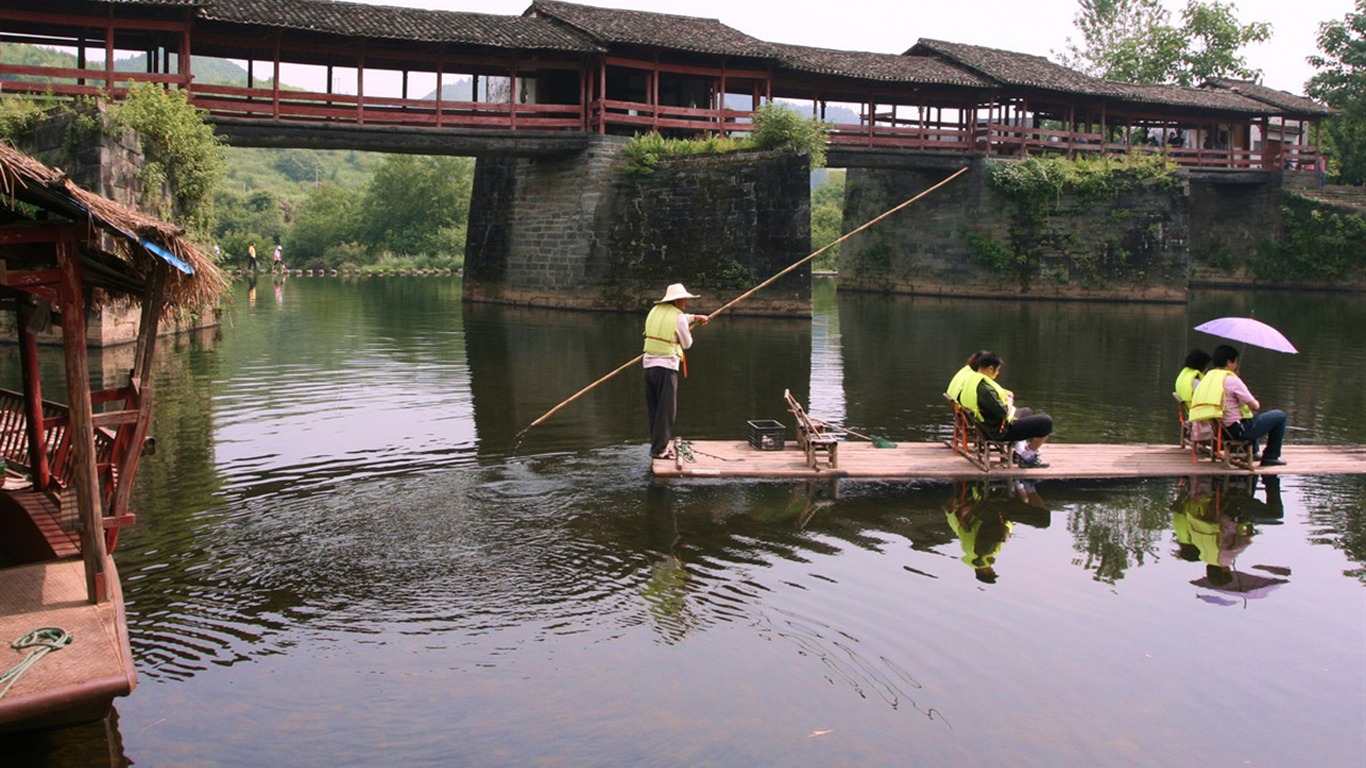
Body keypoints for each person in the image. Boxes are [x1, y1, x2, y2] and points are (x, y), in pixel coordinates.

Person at [1188, 344, 1288, 467]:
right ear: (1229, 362)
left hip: (1220, 430)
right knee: (1279, 416)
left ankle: (1254, 451)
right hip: (1237, 431)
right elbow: (1255, 405)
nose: (1236, 365)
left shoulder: (1208, 378)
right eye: (1236, 362)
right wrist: (1240, 384)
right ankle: (1271, 456)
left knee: (1254, 416)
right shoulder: (1232, 380)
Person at [643, 283, 709, 460]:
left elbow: (677, 319)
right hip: (667, 367)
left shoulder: (655, 311)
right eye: (685, 299)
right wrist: (687, 327)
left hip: (649, 365)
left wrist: (694, 317)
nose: (686, 302)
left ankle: (657, 445)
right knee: (666, 411)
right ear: (678, 300)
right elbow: (687, 344)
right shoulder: (678, 317)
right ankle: (660, 450)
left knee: (655, 409)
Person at [957, 350, 1054, 468]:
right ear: (990, 369)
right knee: (1046, 422)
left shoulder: (971, 381)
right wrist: (1009, 401)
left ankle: (1019, 451)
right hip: (999, 432)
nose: (997, 374)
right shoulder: (985, 389)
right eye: (997, 370)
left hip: (985, 427)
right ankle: (1028, 457)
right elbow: (1004, 412)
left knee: (1026, 411)